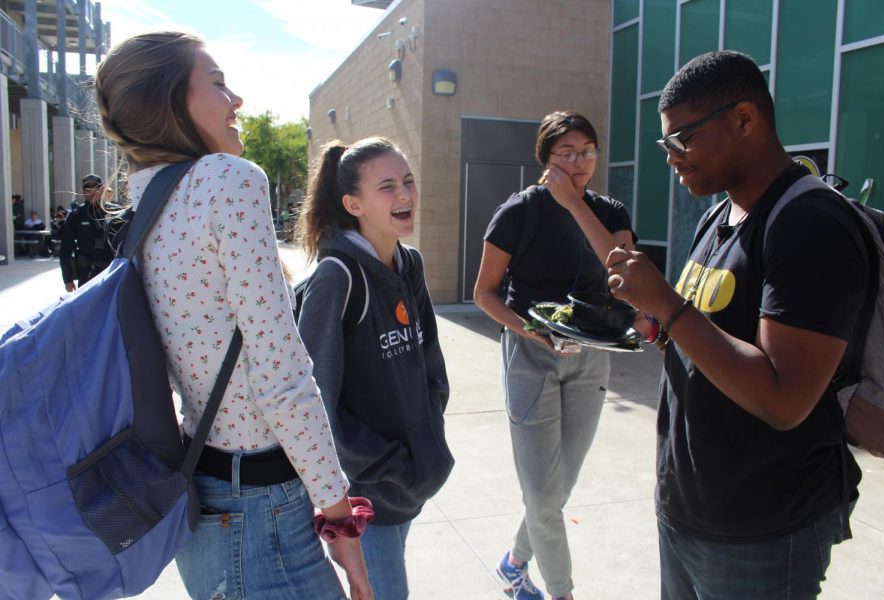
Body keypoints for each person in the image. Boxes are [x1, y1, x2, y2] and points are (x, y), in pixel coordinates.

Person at [94, 31, 373, 600]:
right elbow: (281, 373)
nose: (237, 100)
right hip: (261, 509)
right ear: (171, 102)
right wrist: (340, 518)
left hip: (202, 494)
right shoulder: (227, 181)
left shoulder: (146, 197)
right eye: (217, 84)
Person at [605, 50, 864, 599]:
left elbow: (783, 399)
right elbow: (707, 341)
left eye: (682, 139)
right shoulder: (718, 216)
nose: (671, 158)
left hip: (762, 532)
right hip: (689, 510)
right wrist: (657, 324)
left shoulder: (809, 224)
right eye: (664, 144)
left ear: (745, 120)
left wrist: (670, 306)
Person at [473, 111, 637, 600]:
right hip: (531, 356)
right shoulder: (518, 213)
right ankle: (561, 591)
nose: (579, 162)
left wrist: (576, 205)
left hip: (591, 357)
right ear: (545, 158)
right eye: (567, 153)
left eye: (587, 150)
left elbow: (626, 280)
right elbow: (484, 293)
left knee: (558, 486)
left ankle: (514, 562)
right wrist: (529, 330)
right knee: (543, 494)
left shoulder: (610, 212)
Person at [296, 137, 454, 599]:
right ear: (354, 203)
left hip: (409, 482)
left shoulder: (411, 264)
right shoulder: (336, 278)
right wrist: (392, 464)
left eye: (407, 182)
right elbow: (316, 403)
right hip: (366, 495)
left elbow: (431, 368)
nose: (404, 195)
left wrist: (426, 443)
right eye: (387, 186)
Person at [59, 174, 116, 290]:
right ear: (83, 191)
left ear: (101, 189)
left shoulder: (114, 212)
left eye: (95, 188)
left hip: (111, 272)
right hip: (86, 274)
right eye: (88, 189)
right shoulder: (76, 215)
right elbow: (65, 248)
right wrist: (68, 279)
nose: (92, 192)